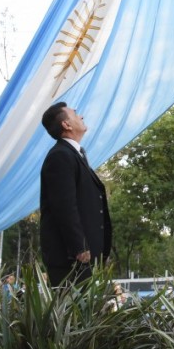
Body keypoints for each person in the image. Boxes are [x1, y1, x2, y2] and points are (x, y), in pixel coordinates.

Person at [40, 102, 112, 286]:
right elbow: (64, 206)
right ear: (66, 125)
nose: (81, 116)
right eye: (75, 113)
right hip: (72, 260)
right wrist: (79, 247)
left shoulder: (73, 154)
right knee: (74, 314)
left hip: (86, 258)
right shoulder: (60, 156)